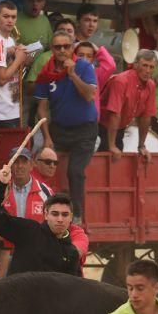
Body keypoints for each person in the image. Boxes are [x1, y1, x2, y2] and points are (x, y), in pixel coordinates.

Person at [35, 30, 98, 218]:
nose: (62, 50)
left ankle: (77, 216)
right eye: (58, 47)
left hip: (85, 130)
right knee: (40, 159)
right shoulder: (46, 73)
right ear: (52, 49)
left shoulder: (84, 67)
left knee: (75, 171)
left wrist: (72, 75)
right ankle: (39, 207)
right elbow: (42, 108)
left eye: (66, 46)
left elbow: (89, 95)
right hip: (59, 129)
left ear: (72, 48)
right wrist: (46, 137)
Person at [0, 164, 81, 276]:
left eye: (64, 215)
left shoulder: (71, 253)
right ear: (45, 214)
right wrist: (2, 185)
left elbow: (72, 289)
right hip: (18, 292)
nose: (60, 219)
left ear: (71, 218)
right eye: (55, 214)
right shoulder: (28, 230)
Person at [98, 50, 158, 161]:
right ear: (135, 65)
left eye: (151, 67)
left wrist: (141, 146)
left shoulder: (151, 85)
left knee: (116, 162)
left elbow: (146, 117)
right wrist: (111, 145)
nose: (148, 70)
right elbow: (114, 113)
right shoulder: (121, 81)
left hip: (119, 128)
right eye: (144, 65)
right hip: (100, 127)